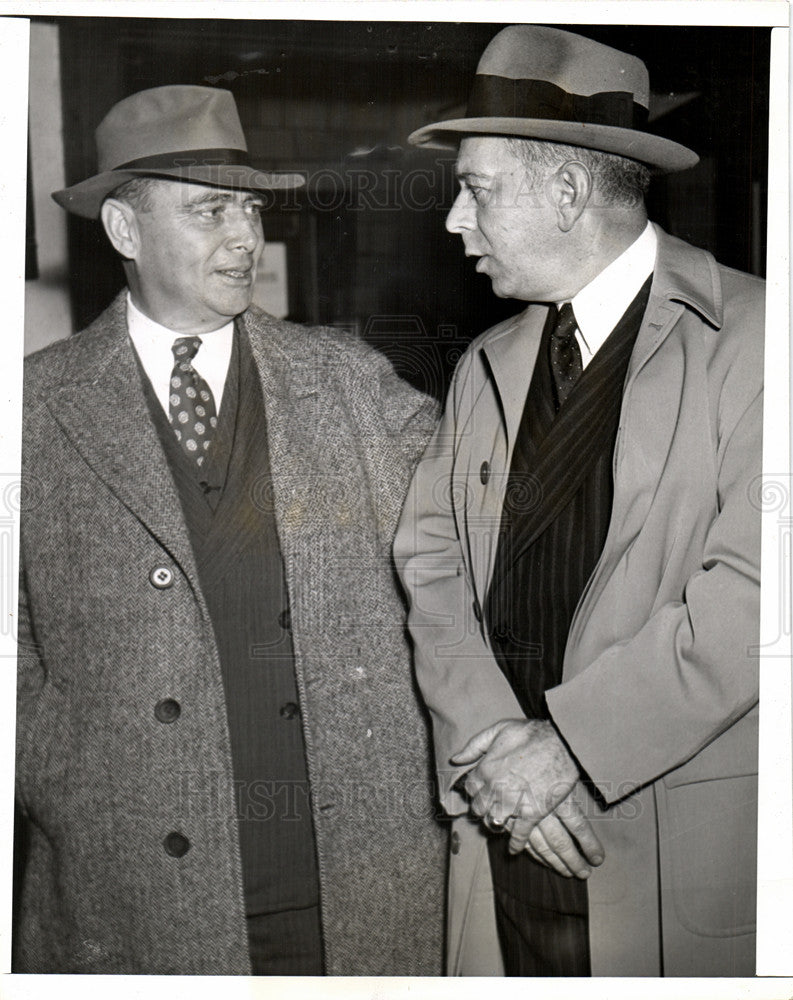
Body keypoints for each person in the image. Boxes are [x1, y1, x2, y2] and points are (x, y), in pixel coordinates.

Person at [15, 84, 446, 975]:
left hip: (352, 885)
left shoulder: (346, 381)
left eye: (248, 208)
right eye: (210, 210)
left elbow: (467, 529)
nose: (245, 236)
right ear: (125, 233)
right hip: (134, 894)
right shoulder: (31, 411)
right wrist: (60, 773)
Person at [395, 25, 762, 977]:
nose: (451, 222)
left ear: (564, 193)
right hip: (509, 830)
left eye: (475, 190)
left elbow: (757, 594)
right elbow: (430, 567)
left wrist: (570, 746)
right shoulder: (487, 364)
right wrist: (492, 753)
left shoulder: (760, 342)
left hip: (663, 848)